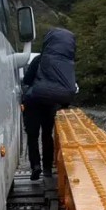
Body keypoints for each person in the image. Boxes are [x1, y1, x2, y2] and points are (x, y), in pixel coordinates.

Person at [22, 27, 77, 180]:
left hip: (33, 102)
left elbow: (27, 80)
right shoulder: (66, 64)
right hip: (51, 104)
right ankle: (47, 168)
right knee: (47, 135)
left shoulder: (39, 60)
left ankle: (35, 166)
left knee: (32, 136)